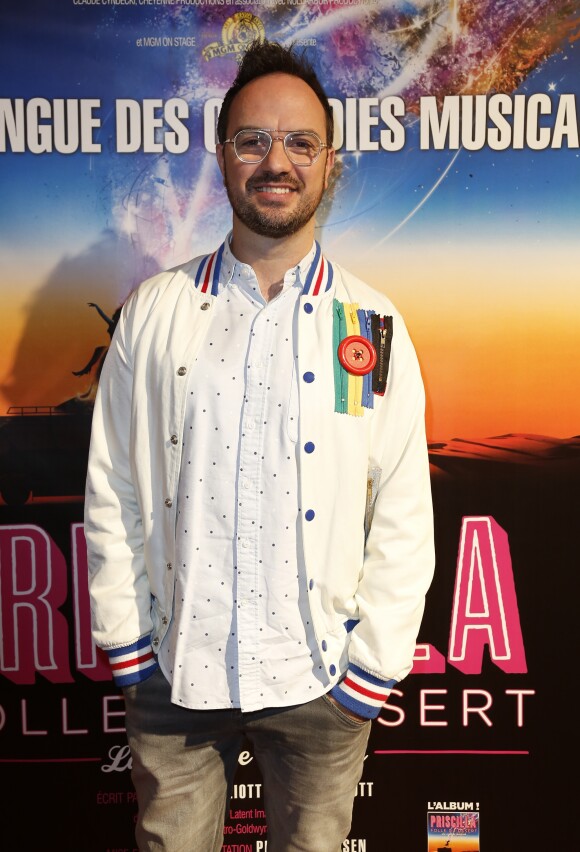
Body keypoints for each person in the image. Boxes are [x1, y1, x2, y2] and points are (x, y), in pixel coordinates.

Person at [84, 40, 435, 852]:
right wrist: (132, 653)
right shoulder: (155, 311)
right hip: (176, 671)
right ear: (223, 154)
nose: (275, 162)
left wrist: (369, 673)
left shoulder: (371, 325)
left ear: (327, 164)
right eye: (252, 141)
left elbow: (405, 512)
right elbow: (114, 490)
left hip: (321, 679)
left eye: (299, 143)